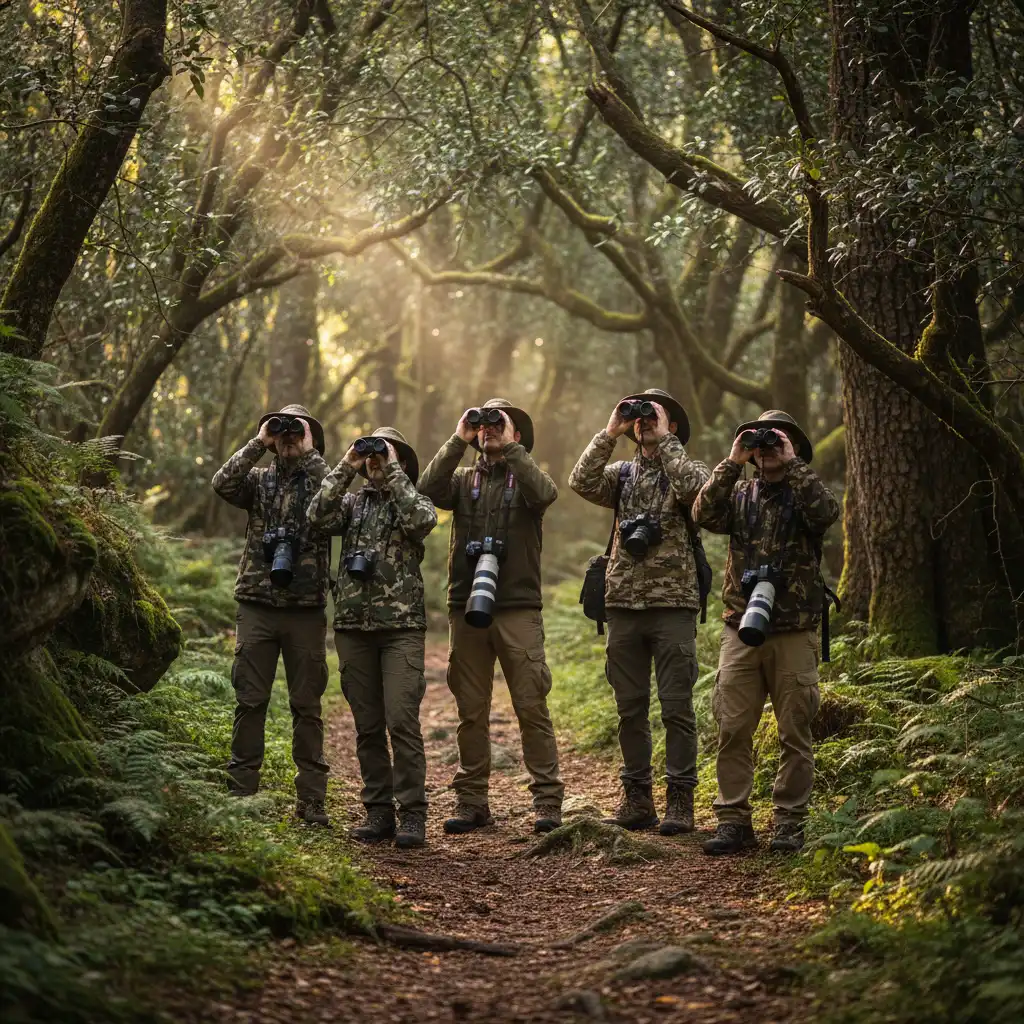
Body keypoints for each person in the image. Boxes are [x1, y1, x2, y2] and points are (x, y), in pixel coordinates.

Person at [692, 410, 840, 855]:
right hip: (740, 626)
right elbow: (702, 512)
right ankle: (733, 820)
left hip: (793, 628)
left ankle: (789, 824)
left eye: (779, 441)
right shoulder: (739, 493)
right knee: (733, 726)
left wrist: (793, 463)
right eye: (763, 443)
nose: (769, 448)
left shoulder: (806, 493)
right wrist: (733, 460)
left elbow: (827, 512)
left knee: (794, 729)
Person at [418, 398, 564, 835]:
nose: (490, 430)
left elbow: (546, 493)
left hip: (517, 607)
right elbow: (425, 490)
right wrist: (458, 439)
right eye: (484, 424)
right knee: (470, 709)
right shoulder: (463, 481)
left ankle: (548, 802)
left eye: (501, 425)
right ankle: (471, 801)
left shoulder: (528, 479)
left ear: (518, 435)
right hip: (467, 606)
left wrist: (510, 447)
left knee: (531, 705)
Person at [568, 388, 710, 834]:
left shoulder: (691, 469)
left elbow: (697, 493)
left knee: (676, 708)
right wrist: (611, 430)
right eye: (639, 415)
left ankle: (681, 801)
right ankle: (636, 798)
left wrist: (666, 439)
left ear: (672, 424)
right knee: (629, 708)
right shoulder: (623, 474)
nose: (644, 420)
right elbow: (581, 480)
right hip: (623, 605)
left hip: (673, 605)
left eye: (654, 414)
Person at [306, 427, 437, 848]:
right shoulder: (351, 504)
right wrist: (347, 464)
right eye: (372, 453)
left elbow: (422, 521)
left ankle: (412, 814)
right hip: (352, 628)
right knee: (367, 725)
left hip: (401, 629)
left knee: (401, 720)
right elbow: (315, 515)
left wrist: (393, 469)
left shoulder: (413, 500)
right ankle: (378, 812)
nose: (376, 459)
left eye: (386, 452)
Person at [211, 404, 331, 825]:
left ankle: (312, 800)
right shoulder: (258, 481)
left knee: (307, 705)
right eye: (282, 430)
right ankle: (243, 792)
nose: (288, 436)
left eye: (297, 431)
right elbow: (222, 484)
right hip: (257, 604)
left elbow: (340, 507)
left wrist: (310, 453)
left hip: (305, 608)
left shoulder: (322, 482)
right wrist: (258, 442)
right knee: (250, 700)